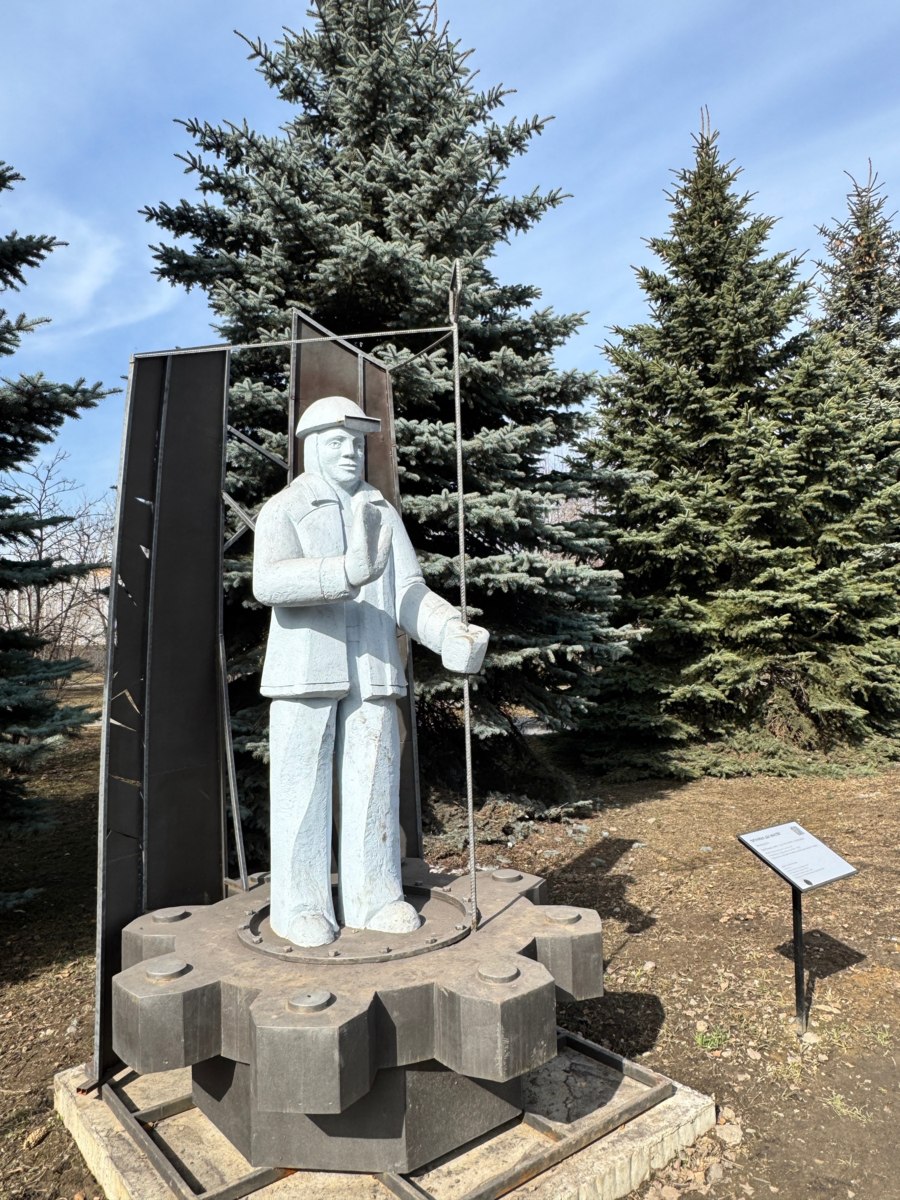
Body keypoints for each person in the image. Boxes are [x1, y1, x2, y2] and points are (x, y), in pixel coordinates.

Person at [252, 395, 488, 947]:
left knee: (374, 784)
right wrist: (346, 571)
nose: (350, 452)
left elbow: (408, 590)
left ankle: (374, 896)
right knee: (302, 791)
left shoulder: (380, 512)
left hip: (374, 669)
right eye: (337, 441)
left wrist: (449, 630)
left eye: (357, 443)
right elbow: (269, 582)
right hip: (306, 672)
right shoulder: (285, 508)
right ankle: (300, 905)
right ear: (311, 447)